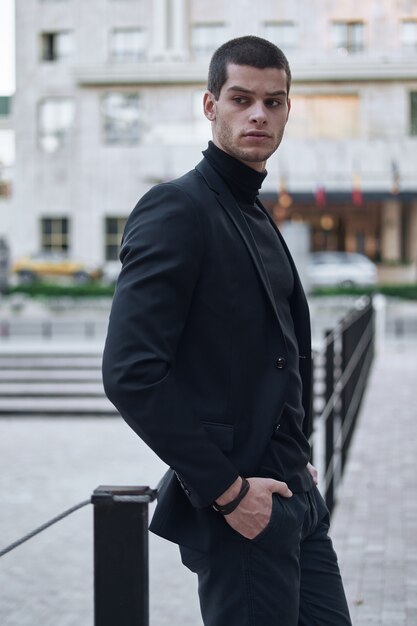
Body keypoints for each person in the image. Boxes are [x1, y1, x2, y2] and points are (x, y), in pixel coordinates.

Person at [102, 35, 352, 626]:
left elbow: (278, 349)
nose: (259, 114)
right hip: (243, 506)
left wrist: (297, 450)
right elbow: (130, 372)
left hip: (296, 492)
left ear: (289, 109)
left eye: (274, 101)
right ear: (210, 106)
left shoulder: (258, 210)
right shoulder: (176, 209)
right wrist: (229, 492)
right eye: (241, 99)